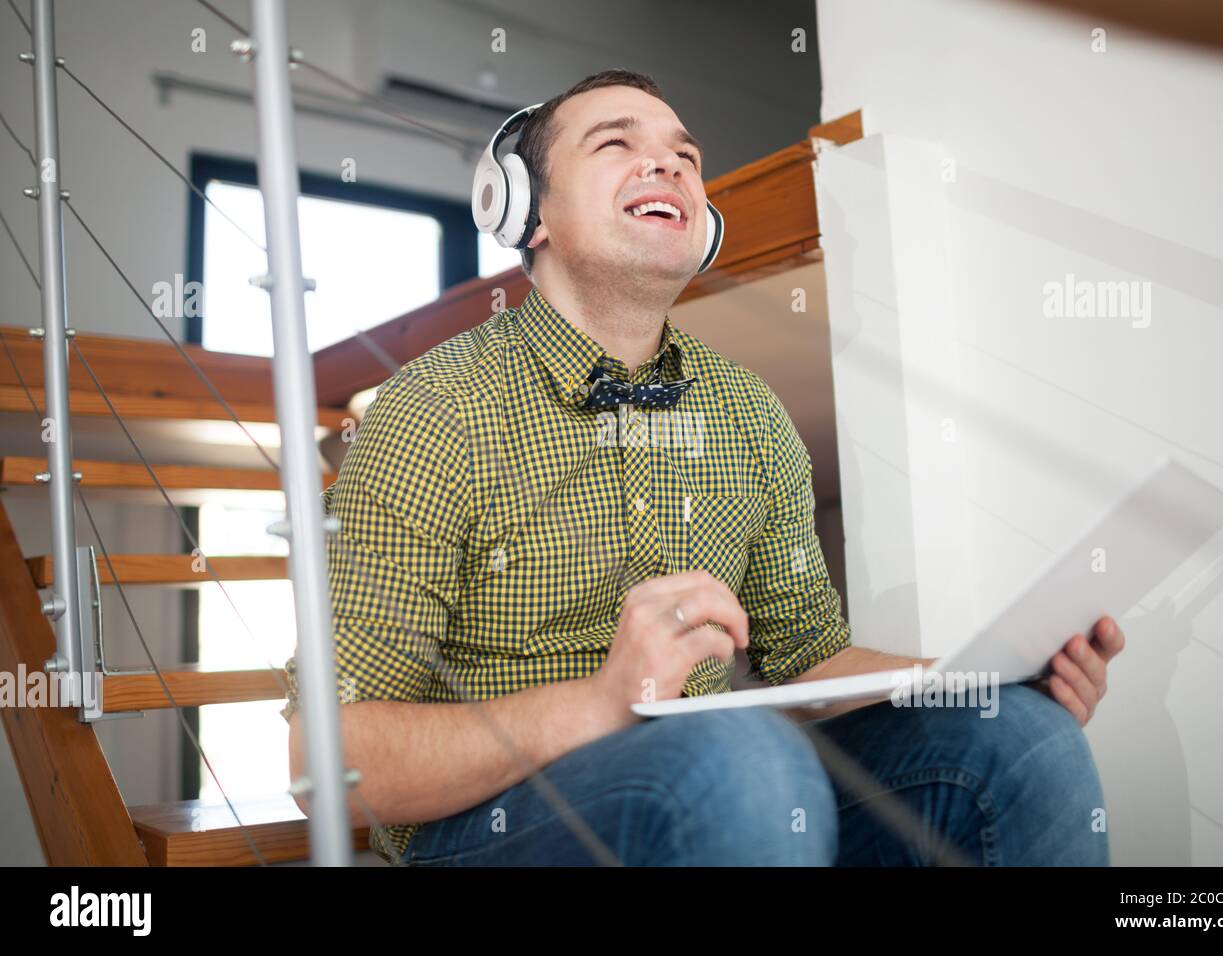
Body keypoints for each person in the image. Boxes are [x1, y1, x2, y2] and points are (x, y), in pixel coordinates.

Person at [283, 69, 1123, 866]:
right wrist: (602, 703)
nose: (667, 163)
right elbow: (325, 761)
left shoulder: (749, 413)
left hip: (734, 790)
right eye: (615, 143)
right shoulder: (435, 412)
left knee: (1018, 739)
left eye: (685, 156)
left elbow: (811, 665)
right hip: (489, 826)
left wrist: (988, 676)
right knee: (740, 758)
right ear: (525, 210)